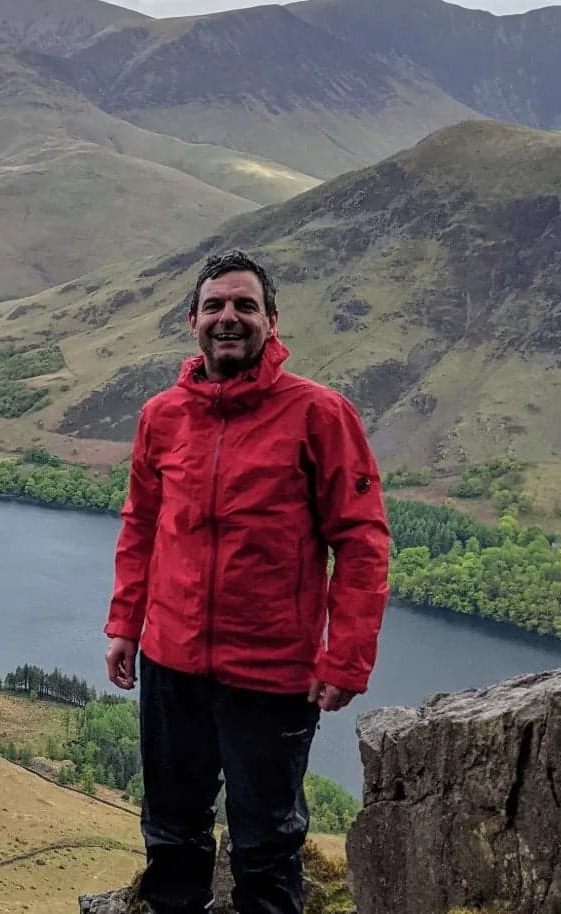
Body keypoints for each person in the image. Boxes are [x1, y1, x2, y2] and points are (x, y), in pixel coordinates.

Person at [103, 250, 390, 914]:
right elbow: (141, 522)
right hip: (171, 662)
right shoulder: (163, 415)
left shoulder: (320, 414)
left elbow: (362, 539)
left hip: (271, 673)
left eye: (244, 306)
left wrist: (346, 655)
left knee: (265, 845)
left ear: (271, 321)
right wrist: (125, 623)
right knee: (172, 832)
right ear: (192, 322)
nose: (228, 318)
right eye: (215, 306)